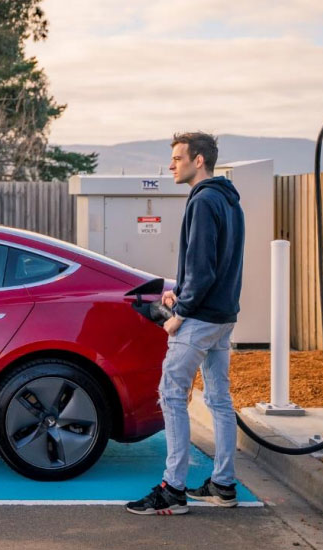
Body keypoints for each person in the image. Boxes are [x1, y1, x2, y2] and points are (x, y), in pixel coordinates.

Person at [125, 132, 245, 516]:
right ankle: (223, 485)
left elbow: (203, 268)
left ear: (199, 161)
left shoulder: (204, 200)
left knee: (172, 394)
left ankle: (173, 489)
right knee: (219, 400)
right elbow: (215, 267)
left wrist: (180, 312)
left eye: (178, 158)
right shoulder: (229, 202)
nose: (172, 165)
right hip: (223, 317)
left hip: (200, 319)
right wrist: (183, 293)